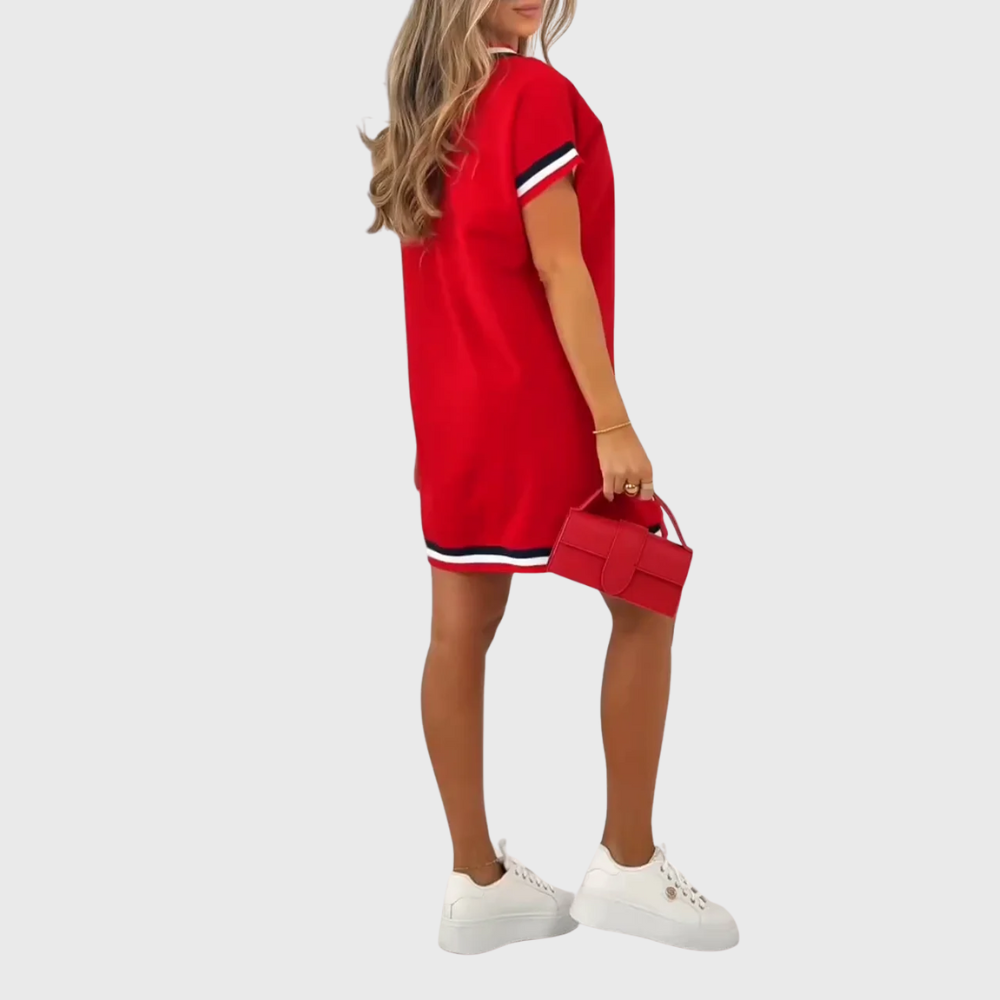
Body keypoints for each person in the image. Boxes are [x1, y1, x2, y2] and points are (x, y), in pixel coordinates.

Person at [362, 0, 738, 955]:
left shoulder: (425, 112)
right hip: (542, 415)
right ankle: (628, 863)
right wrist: (612, 422)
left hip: (452, 424)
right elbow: (560, 269)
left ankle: (474, 880)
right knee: (645, 601)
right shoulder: (532, 93)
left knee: (458, 632)